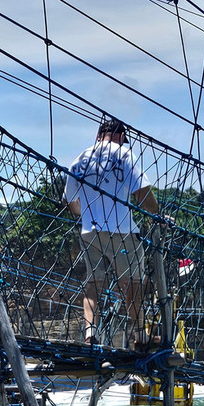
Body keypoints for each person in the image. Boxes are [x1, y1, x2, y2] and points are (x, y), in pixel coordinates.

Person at [64, 118, 160, 349]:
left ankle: (90, 334)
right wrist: (158, 214)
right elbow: (142, 193)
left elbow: (72, 204)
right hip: (122, 232)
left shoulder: (79, 160)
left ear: (99, 135)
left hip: (90, 232)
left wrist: (87, 214)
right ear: (120, 136)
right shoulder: (123, 154)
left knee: (93, 283)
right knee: (133, 285)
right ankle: (141, 337)